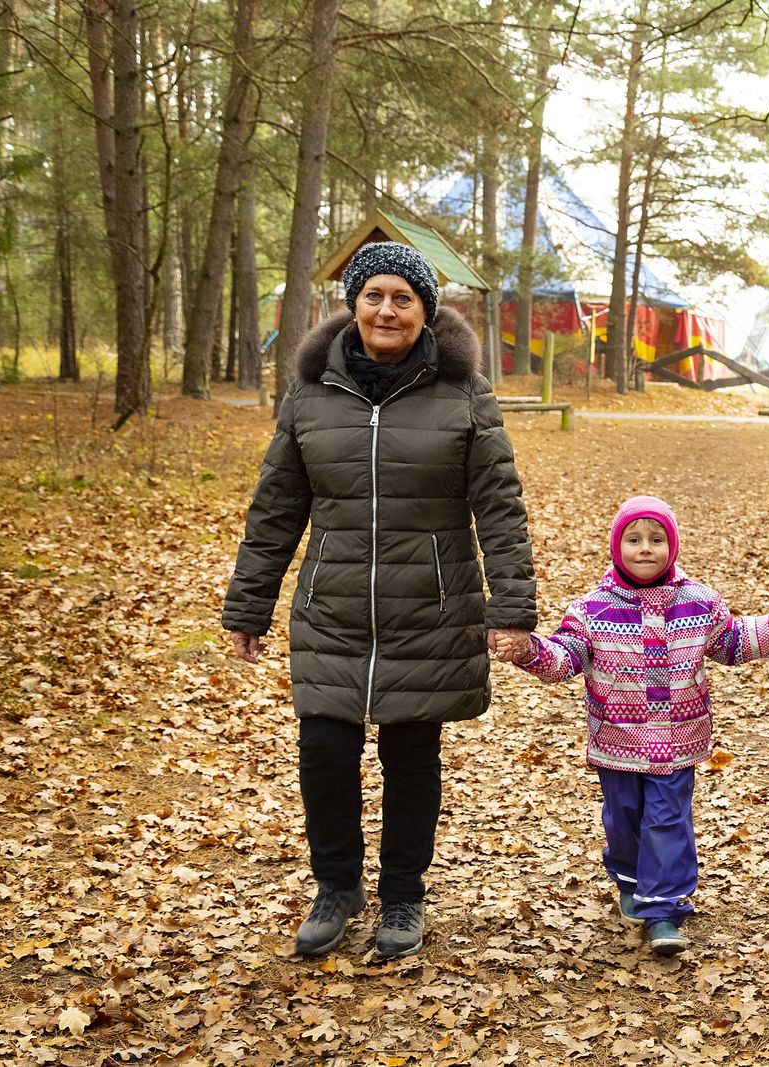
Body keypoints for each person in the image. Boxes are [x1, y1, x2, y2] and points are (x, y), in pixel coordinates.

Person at [222, 241, 536, 959]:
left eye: (403, 298)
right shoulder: (310, 390)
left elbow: (500, 505)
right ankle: (336, 885)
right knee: (324, 749)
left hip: (429, 605)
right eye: (373, 296)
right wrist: (249, 605)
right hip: (331, 605)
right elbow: (275, 507)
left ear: (426, 310)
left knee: (411, 753)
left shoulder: (462, 392)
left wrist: (512, 607)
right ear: (352, 303)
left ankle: (402, 894)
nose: (386, 310)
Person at [492, 496, 769, 956]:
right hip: (617, 740)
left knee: (667, 819)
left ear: (672, 547)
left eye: (657, 540)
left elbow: (731, 643)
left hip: (677, 743)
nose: (645, 549)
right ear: (617, 547)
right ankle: (631, 876)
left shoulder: (700, 604)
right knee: (624, 821)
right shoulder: (591, 610)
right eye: (633, 540)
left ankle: (663, 910)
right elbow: (564, 658)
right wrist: (528, 650)